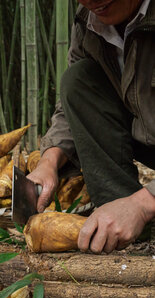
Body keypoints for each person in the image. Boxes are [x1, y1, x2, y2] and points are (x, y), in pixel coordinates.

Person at [27, 0, 155, 254]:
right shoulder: (89, 19)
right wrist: (48, 161)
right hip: (144, 135)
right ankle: (120, 222)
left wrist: (143, 204)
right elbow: (74, 100)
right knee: (78, 80)